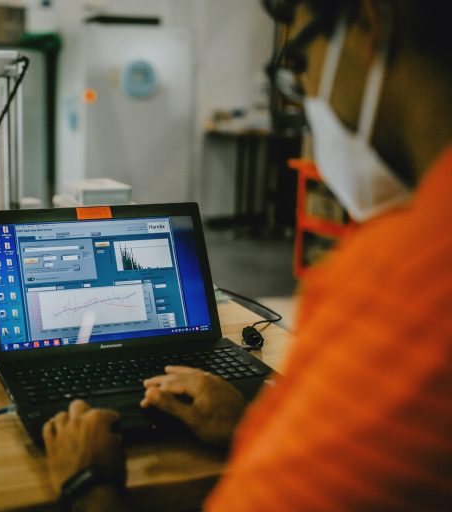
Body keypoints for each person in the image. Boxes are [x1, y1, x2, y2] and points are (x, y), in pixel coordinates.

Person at [42, 0, 452, 509]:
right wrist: (253, 426)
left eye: (297, 64)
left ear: (367, 26)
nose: (306, 94)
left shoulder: (401, 282)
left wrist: (87, 482)